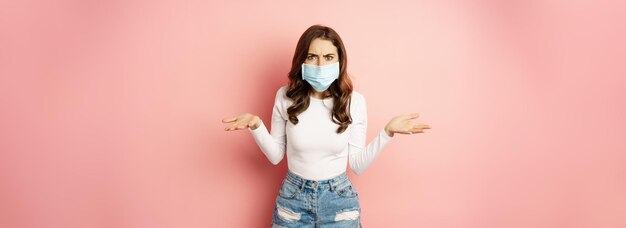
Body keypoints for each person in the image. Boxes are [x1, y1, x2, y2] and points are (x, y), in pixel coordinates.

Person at [222, 25, 431, 227]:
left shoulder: (354, 102)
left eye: (329, 57)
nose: (320, 65)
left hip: (339, 199)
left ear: (339, 61)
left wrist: (387, 133)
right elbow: (276, 156)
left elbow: (357, 165)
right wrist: (256, 126)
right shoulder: (285, 97)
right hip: (293, 198)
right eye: (312, 57)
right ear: (302, 60)